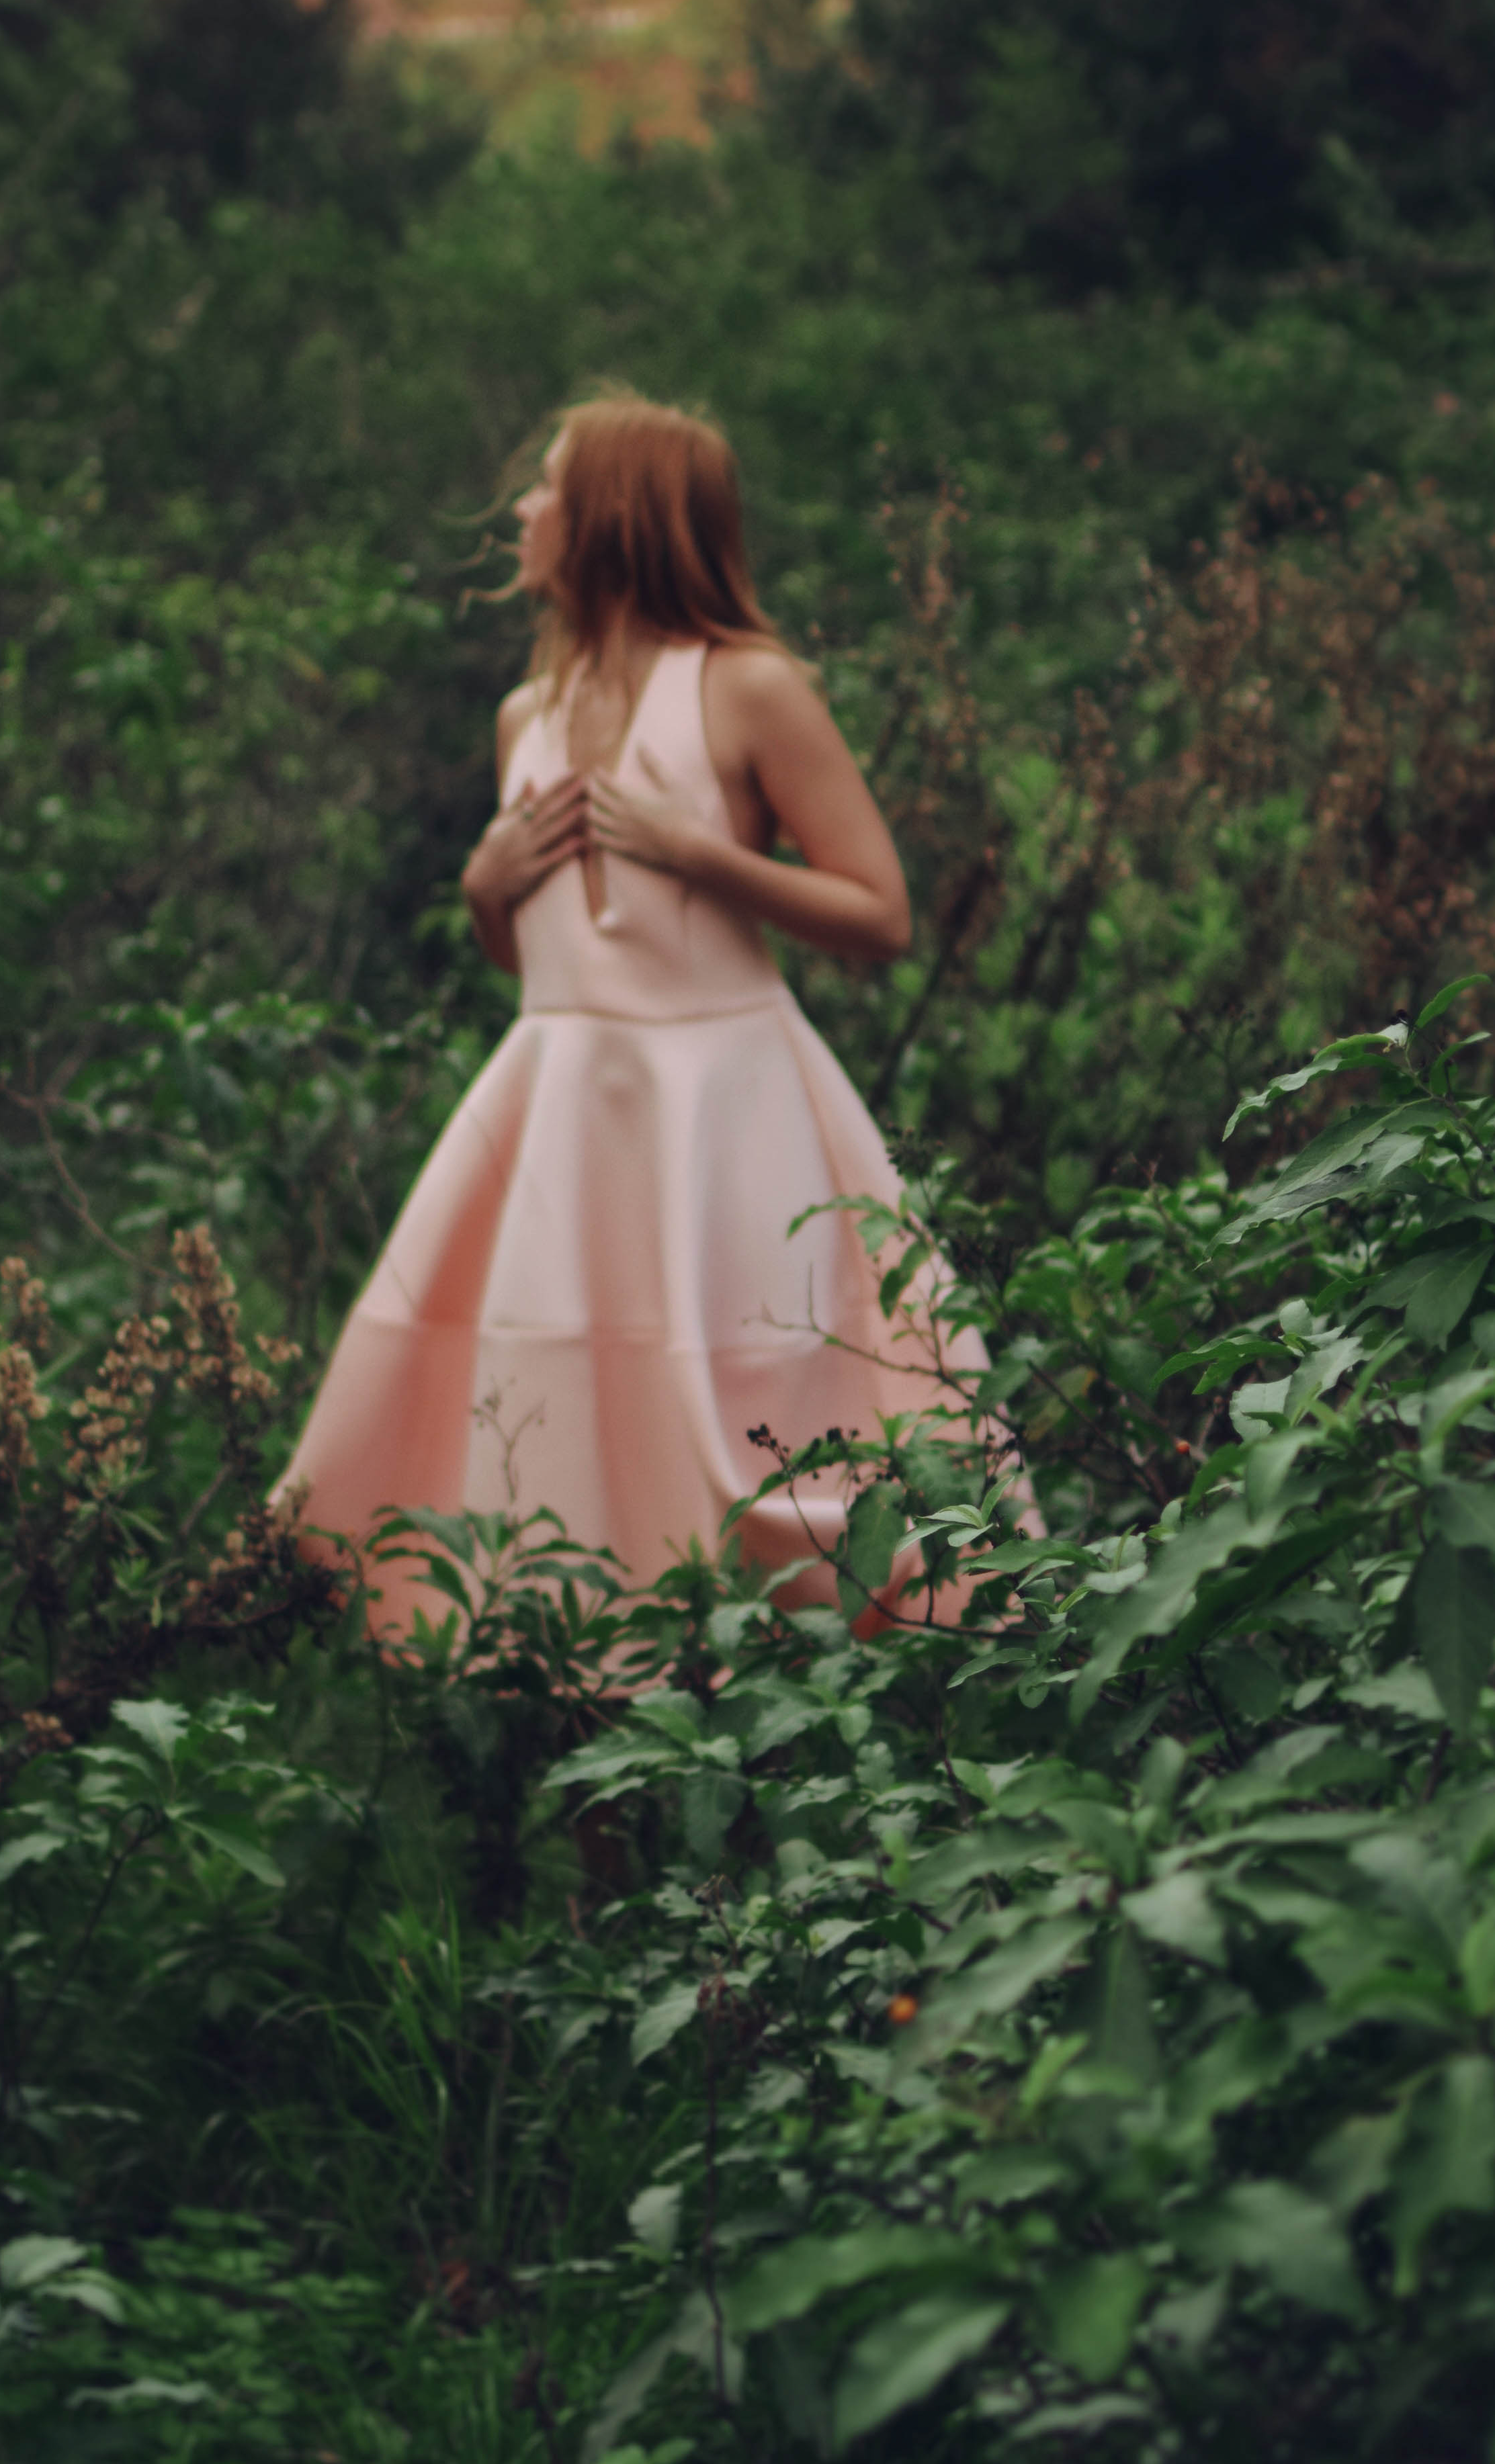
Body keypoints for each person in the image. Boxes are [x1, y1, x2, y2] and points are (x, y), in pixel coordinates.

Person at [277, 390, 1000, 1635]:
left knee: (759, 1410)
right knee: (560, 1399)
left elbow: (879, 915)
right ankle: (602, 1703)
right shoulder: (528, 717)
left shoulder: (748, 688)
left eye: (548, 484)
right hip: (562, 1119)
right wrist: (482, 890)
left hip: (727, 1117)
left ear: (612, 516)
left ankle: (821, 1713)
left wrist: (696, 850)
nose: (524, 508)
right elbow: (540, 964)